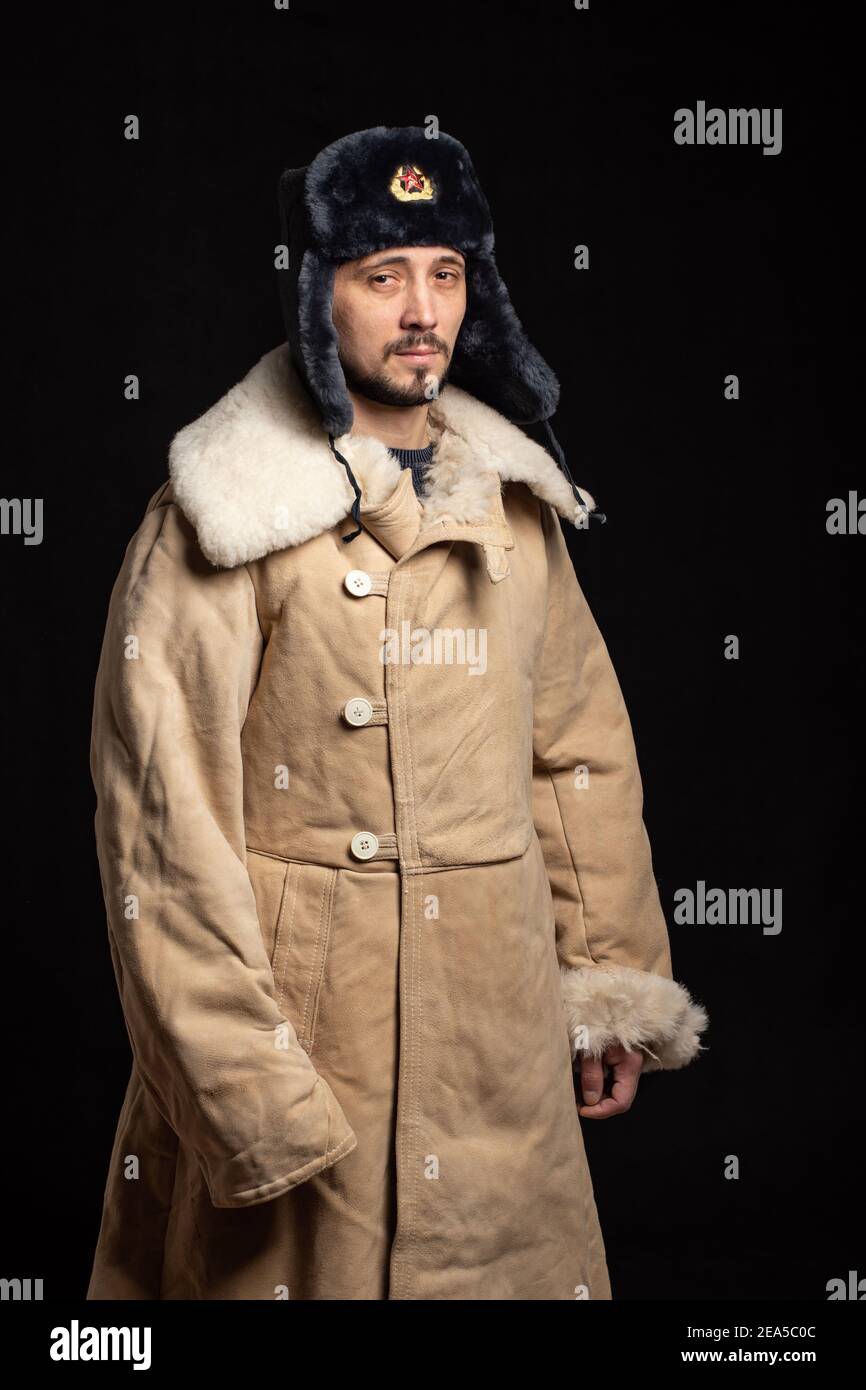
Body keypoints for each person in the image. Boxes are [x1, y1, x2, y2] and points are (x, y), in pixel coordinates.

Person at [86, 125, 708, 1301]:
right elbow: (163, 839)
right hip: (311, 1051)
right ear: (315, 293)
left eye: (446, 272)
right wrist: (245, 1098)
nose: (421, 309)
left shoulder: (516, 512)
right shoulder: (218, 520)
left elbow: (574, 756)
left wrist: (610, 981)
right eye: (383, 276)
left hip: (497, 1044)